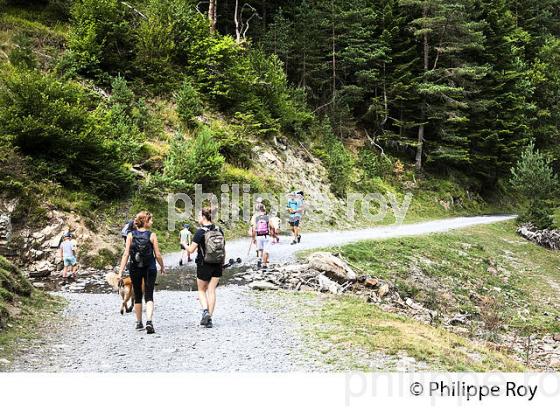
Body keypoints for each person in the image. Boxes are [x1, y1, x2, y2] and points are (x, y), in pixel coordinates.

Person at [117, 211, 165, 334]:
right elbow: (158, 254)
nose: (152, 222)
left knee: (138, 295)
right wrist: (162, 266)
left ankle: (139, 322)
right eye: (151, 220)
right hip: (150, 268)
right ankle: (149, 321)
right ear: (145, 222)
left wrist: (120, 272)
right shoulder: (152, 235)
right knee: (149, 295)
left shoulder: (130, 235)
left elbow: (126, 254)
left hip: (134, 268)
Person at [187, 208, 226, 329]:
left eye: (199, 215)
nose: (198, 218)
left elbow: (191, 250)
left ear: (204, 217)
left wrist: (184, 244)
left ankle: (205, 311)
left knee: (201, 290)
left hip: (204, 264)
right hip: (218, 263)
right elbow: (224, 249)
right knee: (212, 290)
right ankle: (209, 318)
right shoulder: (219, 230)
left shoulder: (200, 232)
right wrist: (222, 263)